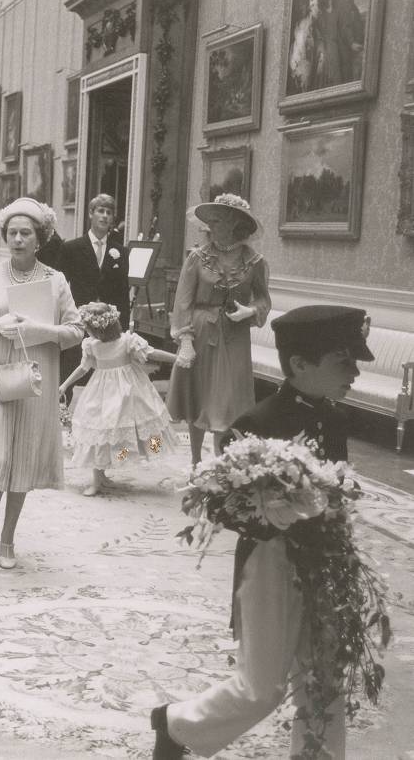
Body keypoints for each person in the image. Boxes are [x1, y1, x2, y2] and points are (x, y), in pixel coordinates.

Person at [151, 305, 374, 760]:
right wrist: (280, 512)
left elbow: (337, 483)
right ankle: (174, 725)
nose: (354, 372)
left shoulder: (334, 419)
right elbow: (223, 506)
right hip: (272, 564)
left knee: (325, 678)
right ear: (299, 365)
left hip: (328, 560)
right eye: (343, 361)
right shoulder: (257, 423)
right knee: (262, 686)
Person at [0, 197, 83, 569]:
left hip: (34, 375)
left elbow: (75, 330)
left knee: (22, 455)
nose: (18, 239)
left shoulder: (55, 281)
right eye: (12, 233)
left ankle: (8, 536)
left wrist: (40, 330)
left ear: (39, 239)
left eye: (26, 233)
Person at [166, 193, 271, 466]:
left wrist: (251, 312)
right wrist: (185, 340)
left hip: (235, 336)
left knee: (227, 404)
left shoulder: (254, 261)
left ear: (237, 223)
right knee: (198, 400)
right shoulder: (198, 258)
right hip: (200, 332)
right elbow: (183, 301)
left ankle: (221, 466)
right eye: (212, 219)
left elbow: (263, 299)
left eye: (221, 219)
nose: (214, 225)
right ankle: (195, 463)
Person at [59, 302, 178, 496]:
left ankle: (122, 459)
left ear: (100, 328)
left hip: (129, 392)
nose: (87, 332)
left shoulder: (128, 341)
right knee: (98, 432)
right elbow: (83, 367)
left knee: (127, 429)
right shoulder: (91, 345)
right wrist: (65, 385)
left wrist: (176, 358)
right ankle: (98, 478)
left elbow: (151, 353)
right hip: (101, 392)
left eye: (89, 328)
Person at [51, 194, 131, 404]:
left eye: (109, 212)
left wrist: (123, 327)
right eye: (100, 211)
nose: (105, 216)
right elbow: (59, 288)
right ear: (90, 214)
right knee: (72, 365)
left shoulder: (121, 252)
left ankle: (107, 411)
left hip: (109, 324)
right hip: (78, 319)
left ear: (113, 218)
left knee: (107, 370)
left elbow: (123, 291)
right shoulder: (72, 248)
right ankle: (62, 408)